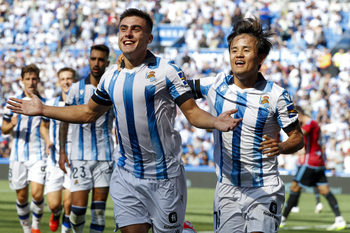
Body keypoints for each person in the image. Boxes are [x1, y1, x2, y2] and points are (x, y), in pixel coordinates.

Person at [6, 9, 241, 233]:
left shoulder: (167, 71)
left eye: (135, 29)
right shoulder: (111, 76)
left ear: (148, 37)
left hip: (164, 176)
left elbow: (192, 112)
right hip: (126, 173)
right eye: (123, 28)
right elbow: (88, 113)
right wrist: (44, 109)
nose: (127, 34)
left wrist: (214, 122)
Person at [187, 17, 305, 233]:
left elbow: (298, 138)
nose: (238, 55)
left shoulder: (276, 95)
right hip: (226, 188)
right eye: (233, 50)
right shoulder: (214, 84)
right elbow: (174, 87)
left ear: (261, 57)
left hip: (264, 188)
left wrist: (281, 147)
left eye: (245, 50)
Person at [58, 44, 115, 233]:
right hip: (79, 156)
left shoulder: (113, 88)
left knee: (99, 212)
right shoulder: (76, 89)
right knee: (78, 210)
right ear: (89, 60)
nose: (96, 63)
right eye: (93, 59)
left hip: (105, 156)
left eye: (100, 59)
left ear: (107, 62)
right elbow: (64, 120)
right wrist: (62, 151)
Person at [280, 106, 346, 231]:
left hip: (310, 162)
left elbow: (301, 133)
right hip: (318, 161)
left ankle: (282, 218)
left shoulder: (310, 122)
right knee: (325, 190)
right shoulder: (312, 123)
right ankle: (339, 219)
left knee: (294, 187)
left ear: (299, 115)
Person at [1, 64, 48, 233]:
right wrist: (11, 125)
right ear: (22, 81)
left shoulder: (45, 104)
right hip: (18, 156)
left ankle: (35, 226)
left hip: (38, 155)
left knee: (37, 194)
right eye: (27, 79)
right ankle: (27, 230)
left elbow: (47, 127)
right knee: (21, 197)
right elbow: (4, 129)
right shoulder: (13, 102)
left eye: (34, 78)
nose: (31, 82)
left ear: (38, 80)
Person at [40, 68, 77, 233]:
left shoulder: (81, 103)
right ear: (58, 81)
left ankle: (64, 230)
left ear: (74, 80)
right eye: (63, 79)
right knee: (54, 204)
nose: (66, 82)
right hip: (54, 159)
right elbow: (43, 125)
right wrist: (48, 140)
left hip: (75, 159)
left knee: (69, 203)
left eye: (69, 78)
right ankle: (56, 213)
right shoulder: (51, 103)